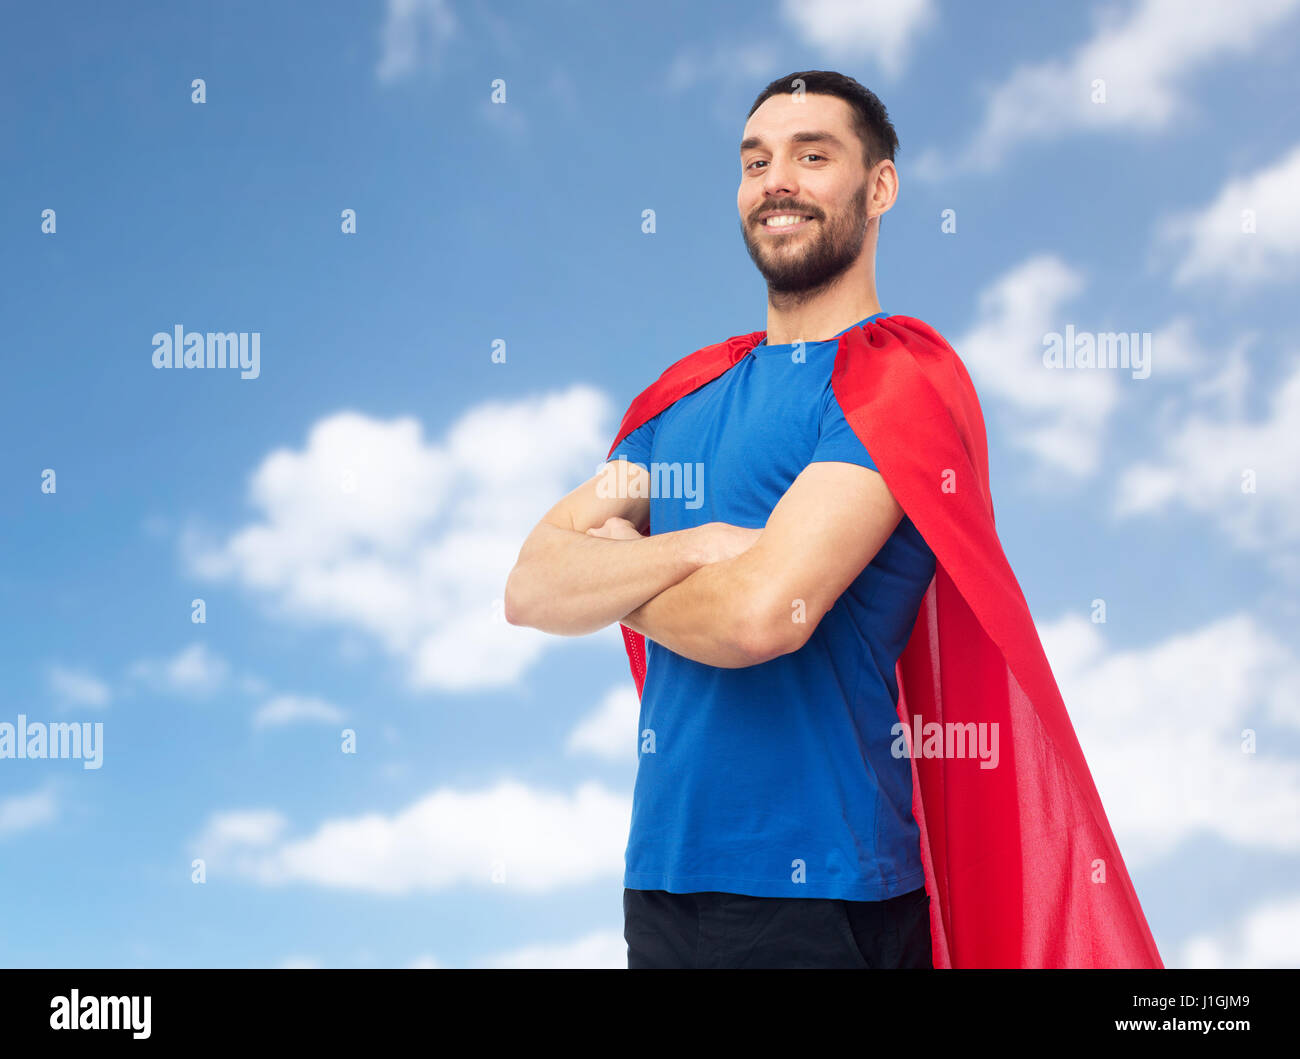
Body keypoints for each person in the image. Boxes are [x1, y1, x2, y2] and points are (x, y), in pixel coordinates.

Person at [505, 70, 1162, 970]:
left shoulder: (897, 383)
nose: (778, 180)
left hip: (823, 899)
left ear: (879, 187)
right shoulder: (683, 400)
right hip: (659, 883)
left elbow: (763, 614)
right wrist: (694, 546)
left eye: (814, 156)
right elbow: (530, 584)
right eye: (756, 161)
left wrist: (617, 568)